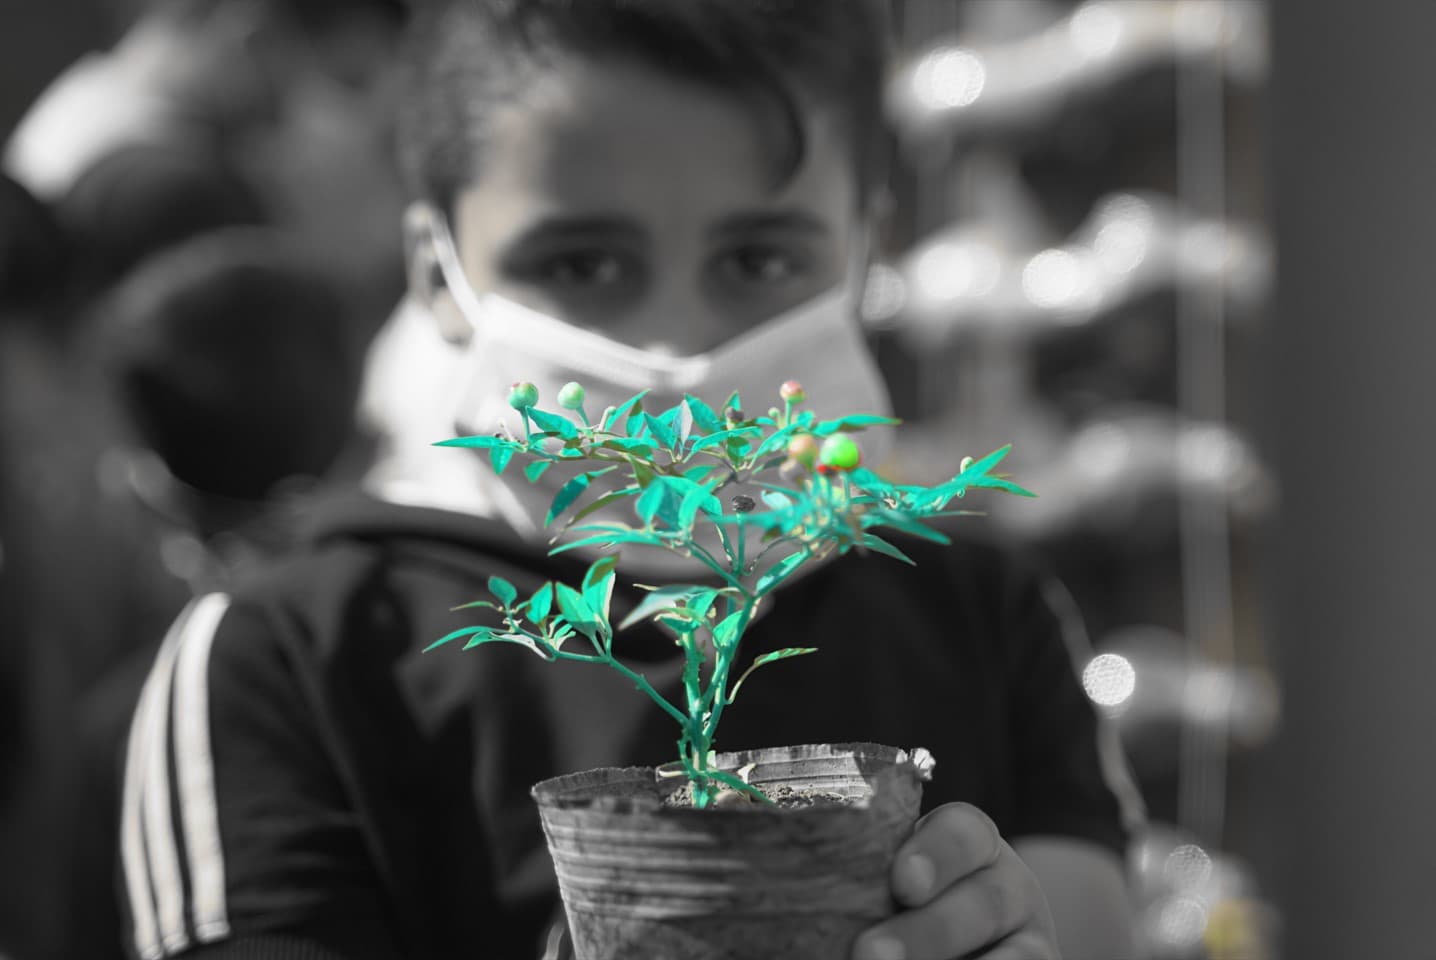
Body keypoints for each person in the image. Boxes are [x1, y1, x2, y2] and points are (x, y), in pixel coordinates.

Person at [117, 3, 1143, 959]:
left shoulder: (978, 614)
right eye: (581, 265)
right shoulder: (287, 660)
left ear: (864, 249)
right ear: (440, 276)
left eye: (755, 260)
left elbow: (1084, 911)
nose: (673, 351)